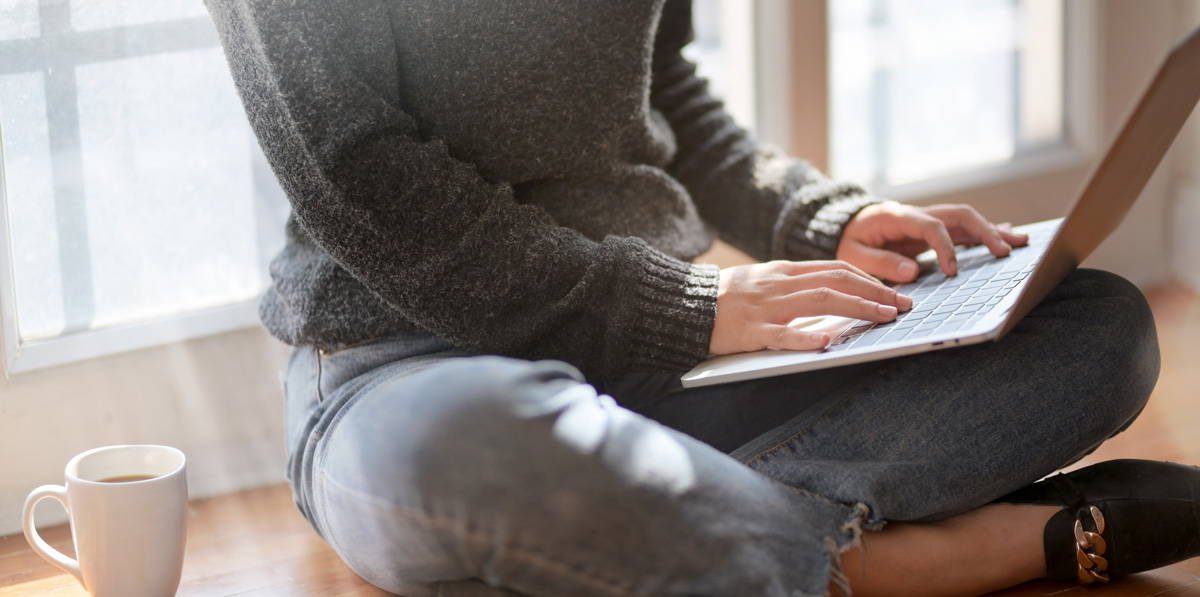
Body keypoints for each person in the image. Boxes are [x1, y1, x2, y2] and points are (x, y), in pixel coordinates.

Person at [206, 1, 1200, 595]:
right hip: (407, 365)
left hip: (666, 358)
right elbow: (357, 176)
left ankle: (678, 530)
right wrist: (682, 305)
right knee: (467, 442)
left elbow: (663, 85)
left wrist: (819, 219)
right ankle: (921, 561)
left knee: (1095, 325)